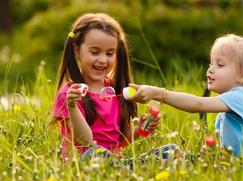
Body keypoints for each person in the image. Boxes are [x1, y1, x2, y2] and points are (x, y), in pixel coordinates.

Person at [128, 34, 243, 177]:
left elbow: (197, 103)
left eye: (220, 64)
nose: (210, 69)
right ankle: (129, 166)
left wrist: (159, 93)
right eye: (211, 63)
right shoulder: (223, 117)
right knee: (179, 154)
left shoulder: (242, 96)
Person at [53, 13, 179, 162]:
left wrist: (139, 129)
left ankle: (127, 171)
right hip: (85, 164)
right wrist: (71, 106)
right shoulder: (69, 95)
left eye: (110, 53)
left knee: (172, 151)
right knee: (96, 154)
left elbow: (122, 139)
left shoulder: (115, 89)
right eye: (95, 52)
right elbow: (86, 141)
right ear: (76, 50)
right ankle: (128, 172)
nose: (102, 60)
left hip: (116, 164)